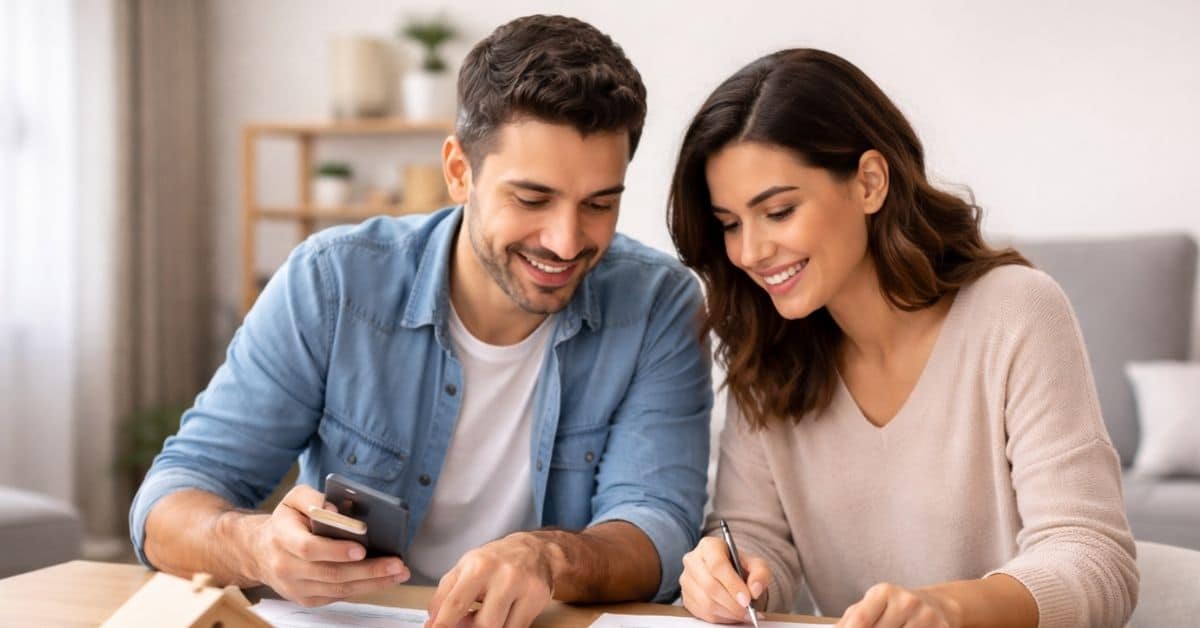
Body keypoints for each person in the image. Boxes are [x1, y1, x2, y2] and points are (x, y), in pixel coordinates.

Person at [130, 15, 712, 628]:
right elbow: (169, 502)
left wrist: (547, 556)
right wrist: (255, 548)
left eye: (599, 204)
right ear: (459, 171)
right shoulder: (334, 283)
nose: (566, 242)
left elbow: (658, 527)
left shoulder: (658, 305)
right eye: (532, 199)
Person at [669, 49, 1137, 628]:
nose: (749, 252)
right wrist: (732, 578)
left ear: (869, 182)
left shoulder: (1016, 311)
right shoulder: (768, 349)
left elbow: (1095, 558)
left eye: (780, 211)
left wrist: (952, 609)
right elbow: (759, 540)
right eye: (730, 224)